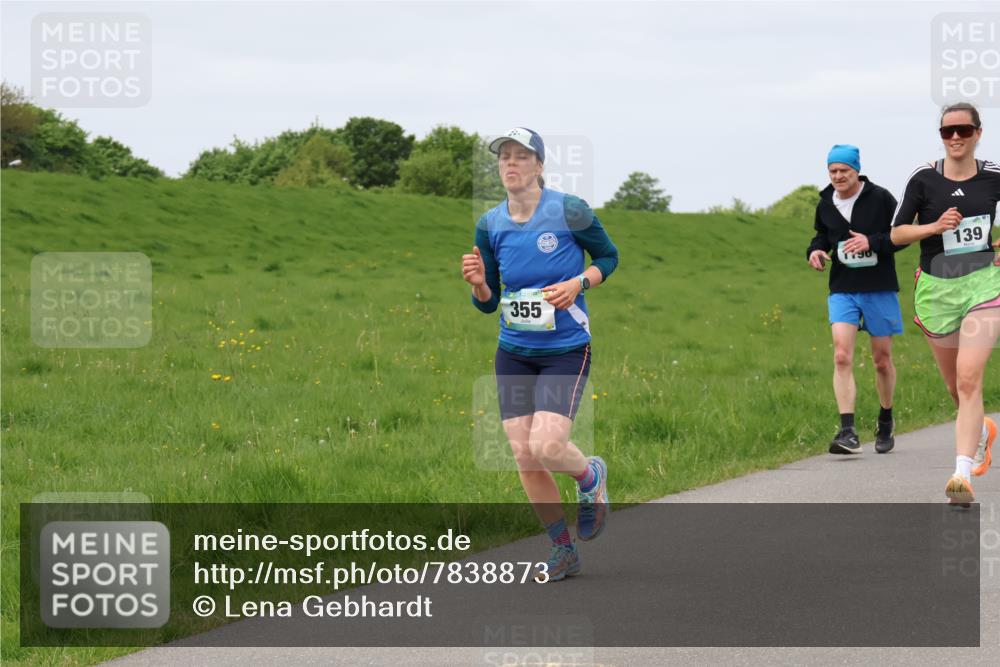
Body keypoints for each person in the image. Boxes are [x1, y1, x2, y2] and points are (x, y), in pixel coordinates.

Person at [461, 127, 619, 580]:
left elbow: (608, 258)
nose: (510, 163)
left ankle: (590, 477)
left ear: (539, 165)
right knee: (525, 456)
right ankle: (562, 549)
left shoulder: (569, 210)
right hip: (514, 351)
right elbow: (489, 301)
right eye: (504, 157)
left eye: (520, 156)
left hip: (566, 349)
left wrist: (579, 283)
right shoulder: (490, 223)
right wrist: (477, 285)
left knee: (547, 445)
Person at [889, 102, 1000, 505]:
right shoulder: (923, 179)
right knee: (956, 388)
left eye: (963, 131)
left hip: (984, 285)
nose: (955, 138)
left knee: (970, 377)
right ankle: (983, 431)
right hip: (937, 289)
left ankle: (961, 474)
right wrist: (934, 227)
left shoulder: (992, 177)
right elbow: (897, 234)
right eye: (947, 131)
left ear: (978, 133)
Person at [807, 145, 905, 455]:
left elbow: (900, 234)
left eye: (844, 171)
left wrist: (872, 241)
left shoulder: (880, 198)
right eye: (833, 171)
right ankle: (847, 430)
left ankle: (885, 419)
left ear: (856, 170)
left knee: (881, 360)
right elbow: (822, 235)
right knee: (841, 356)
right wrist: (815, 250)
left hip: (878, 286)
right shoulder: (825, 204)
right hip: (843, 287)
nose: (838, 176)